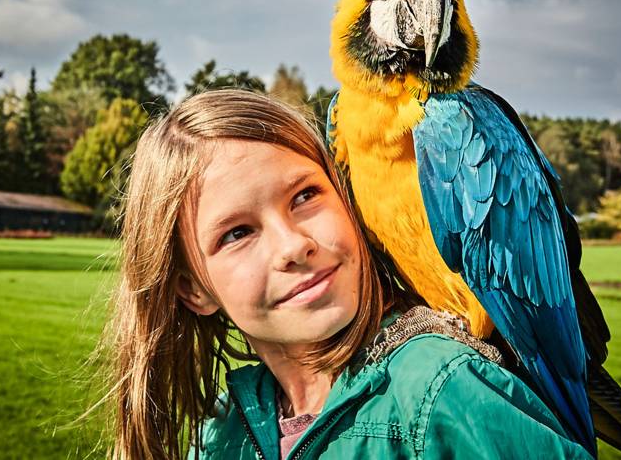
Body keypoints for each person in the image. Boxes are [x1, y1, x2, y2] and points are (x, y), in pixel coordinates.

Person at [102, 89, 591, 459]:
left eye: (304, 196)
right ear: (192, 288)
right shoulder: (223, 433)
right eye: (236, 234)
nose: (294, 245)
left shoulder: (446, 393)